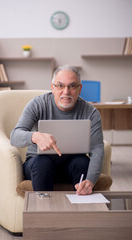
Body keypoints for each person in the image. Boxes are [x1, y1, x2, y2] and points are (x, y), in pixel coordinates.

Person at [10, 65, 104, 195]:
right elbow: (14, 136)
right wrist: (35, 136)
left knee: (82, 162)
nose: (66, 92)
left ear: (79, 89)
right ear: (52, 87)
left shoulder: (91, 112)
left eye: (72, 86)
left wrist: (90, 181)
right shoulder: (37, 104)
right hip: (39, 165)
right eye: (60, 86)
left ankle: (82, 208)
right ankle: (44, 212)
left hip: (72, 166)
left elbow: (97, 149)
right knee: (42, 163)